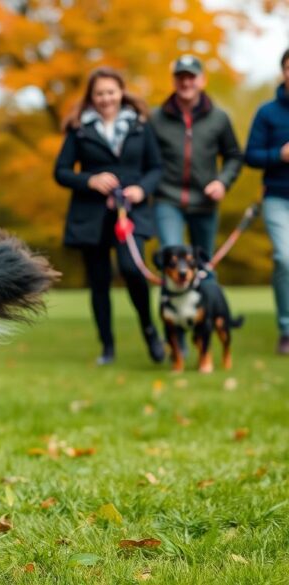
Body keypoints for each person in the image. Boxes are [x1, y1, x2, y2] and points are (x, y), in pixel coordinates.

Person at [54, 67, 166, 366]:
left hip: (132, 214)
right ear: (92, 97)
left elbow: (156, 167)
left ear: (121, 92)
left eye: (111, 92)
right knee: (99, 281)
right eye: (99, 93)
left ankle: (150, 329)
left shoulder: (141, 126)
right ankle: (107, 347)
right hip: (91, 217)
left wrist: (141, 190)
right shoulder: (79, 129)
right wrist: (89, 180)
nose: (106, 98)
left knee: (132, 269)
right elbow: (61, 172)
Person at [150, 54, 243, 258]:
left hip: (204, 201)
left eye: (191, 77)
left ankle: (205, 290)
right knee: (171, 257)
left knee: (203, 264)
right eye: (180, 77)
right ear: (174, 80)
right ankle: (171, 290)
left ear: (202, 80)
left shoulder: (219, 117)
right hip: (167, 199)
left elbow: (234, 156)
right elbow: (145, 158)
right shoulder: (155, 118)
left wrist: (222, 183)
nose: (186, 82)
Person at [244, 49, 289, 355]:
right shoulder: (267, 112)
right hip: (277, 197)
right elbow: (250, 155)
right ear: (283, 72)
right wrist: (279, 155)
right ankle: (287, 329)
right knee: (284, 259)